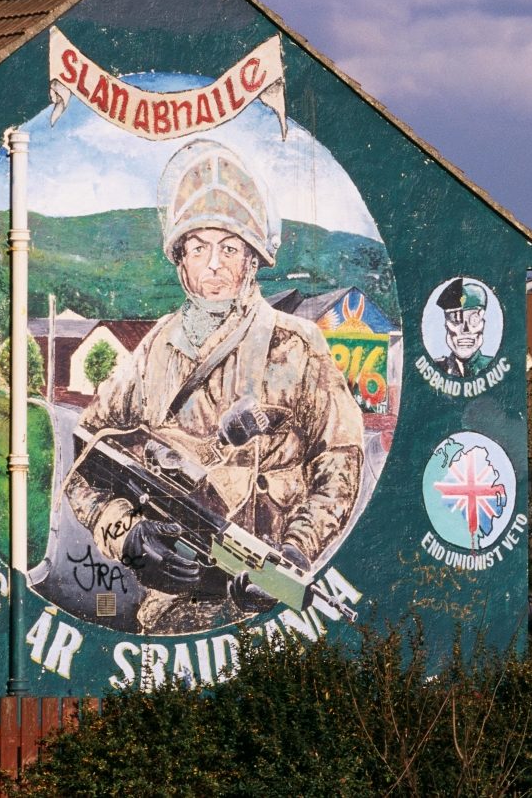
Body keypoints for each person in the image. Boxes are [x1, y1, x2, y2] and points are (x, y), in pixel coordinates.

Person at [68, 140, 364, 634]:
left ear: (252, 259)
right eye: (199, 247)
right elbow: (84, 463)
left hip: (267, 608)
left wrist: (292, 553)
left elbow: (341, 461)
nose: (214, 265)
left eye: (229, 248)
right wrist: (129, 535)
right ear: (179, 260)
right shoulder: (154, 350)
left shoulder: (296, 346)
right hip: (171, 612)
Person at [432, 278, 493, 378]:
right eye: (456, 320)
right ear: (446, 325)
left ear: (483, 324)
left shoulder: (492, 366)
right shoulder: (437, 368)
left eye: (474, 319)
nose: (465, 329)